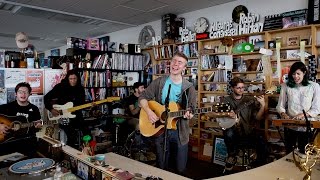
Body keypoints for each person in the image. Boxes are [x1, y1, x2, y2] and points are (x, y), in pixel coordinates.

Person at [139, 52, 196, 175]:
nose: (176, 64)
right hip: (160, 128)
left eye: (180, 62)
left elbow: (192, 109)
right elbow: (142, 97)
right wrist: (149, 112)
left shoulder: (189, 87)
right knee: (162, 164)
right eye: (174, 61)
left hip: (180, 131)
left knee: (180, 168)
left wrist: (189, 114)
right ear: (170, 63)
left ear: (184, 68)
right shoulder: (160, 82)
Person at [216, 77, 267, 171]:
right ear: (232, 88)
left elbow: (258, 118)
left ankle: (260, 164)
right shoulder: (225, 100)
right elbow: (219, 117)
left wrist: (263, 105)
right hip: (233, 134)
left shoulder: (249, 100)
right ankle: (232, 156)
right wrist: (228, 114)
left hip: (247, 132)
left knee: (262, 141)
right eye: (238, 88)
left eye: (243, 87)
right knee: (229, 132)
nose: (241, 90)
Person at [276, 61, 320, 154]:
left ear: (304, 73)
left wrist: (304, 115)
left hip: (307, 125)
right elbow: (280, 106)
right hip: (290, 125)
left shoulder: (314, 86)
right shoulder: (285, 86)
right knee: (289, 152)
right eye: (293, 74)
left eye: (298, 74)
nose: (295, 76)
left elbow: (316, 108)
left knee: (304, 152)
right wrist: (283, 114)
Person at [44, 69, 87, 149]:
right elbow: (46, 98)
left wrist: (90, 106)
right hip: (62, 116)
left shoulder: (80, 89)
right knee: (72, 136)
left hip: (77, 115)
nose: (73, 81)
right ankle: (69, 154)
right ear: (67, 79)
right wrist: (51, 109)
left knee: (87, 132)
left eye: (75, 79)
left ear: (78, 79)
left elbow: (82, 104)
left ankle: (87, 151)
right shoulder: (60, 87)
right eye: (71, 79)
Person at [0, 82, 42, 156]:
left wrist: (38, 126)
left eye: (26, 92)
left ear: (29, 94)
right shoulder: (6, 107)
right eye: (20, 92)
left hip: (27, 143)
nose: (23, 95)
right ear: (16, 94)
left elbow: (37, 126)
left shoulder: (34, 109)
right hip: (8, 143)